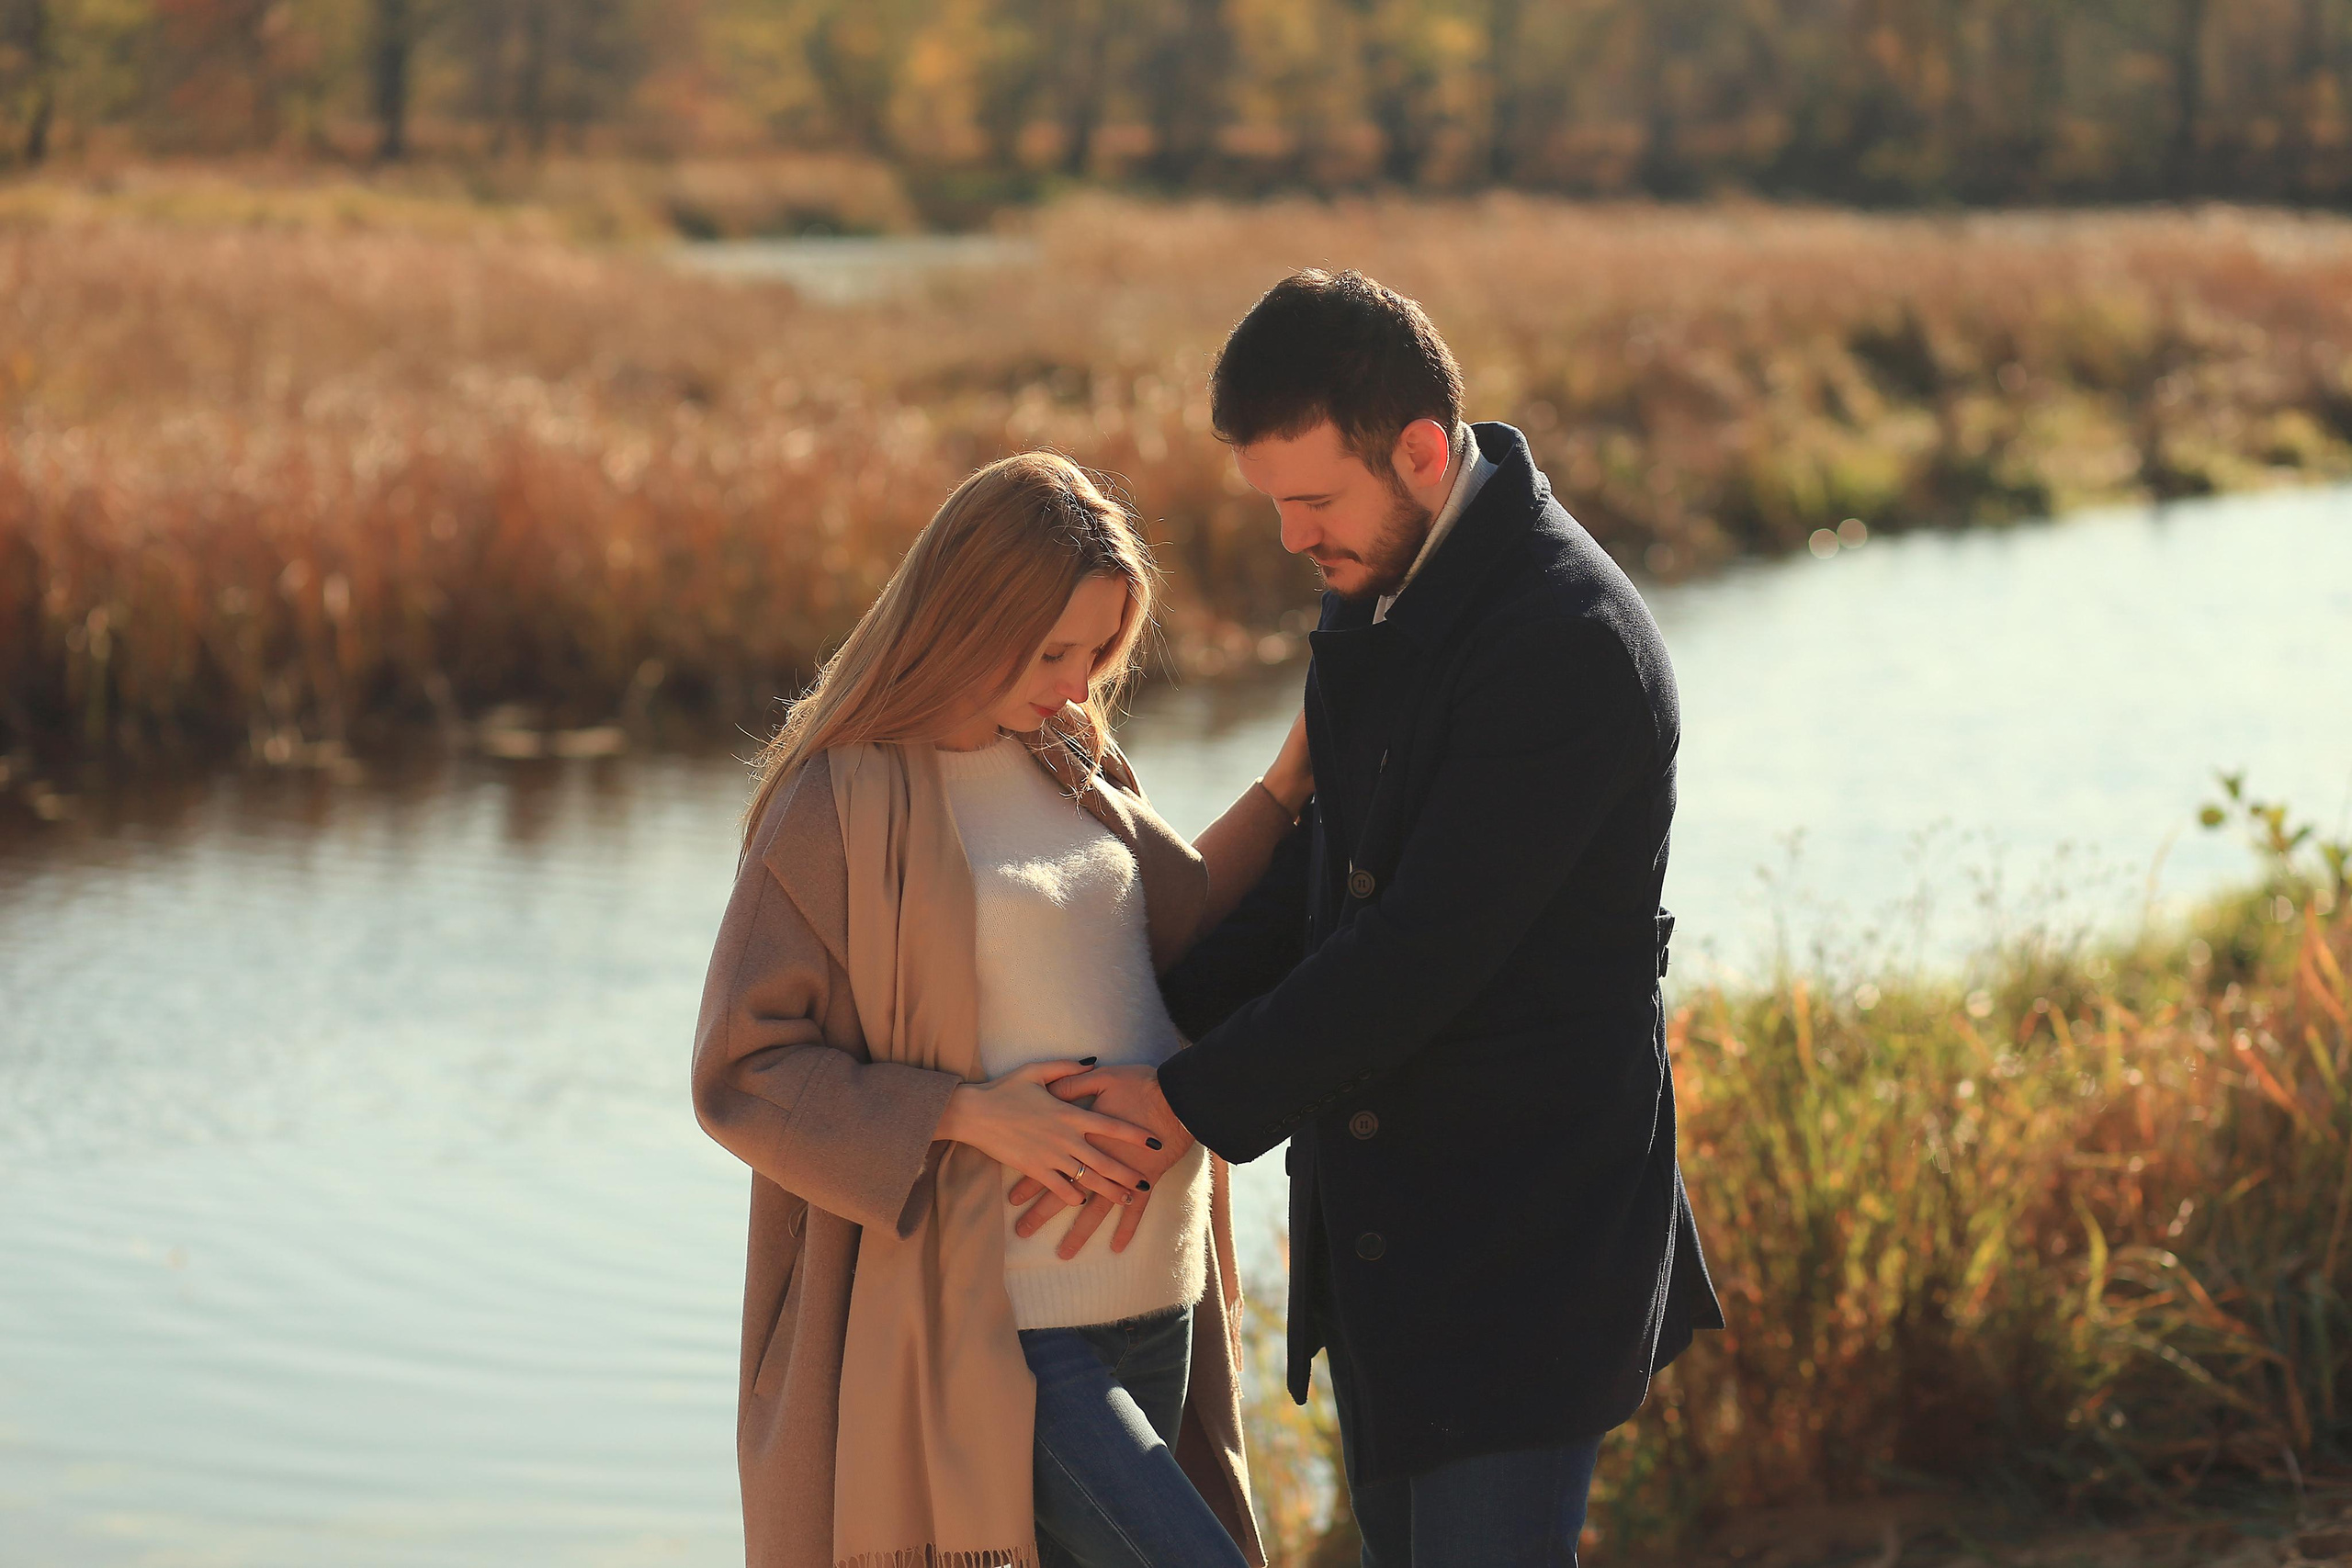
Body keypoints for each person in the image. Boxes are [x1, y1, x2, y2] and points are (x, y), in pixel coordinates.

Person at [1018, 271, 1724, 1567]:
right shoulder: (1380, 582)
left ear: (1420, 449)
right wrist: (1146, 1012)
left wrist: (1182, 1098)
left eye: (1314, 499)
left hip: (1526, 1244)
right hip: (1400, 1238)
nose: (1293, 538)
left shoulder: (1566, 640)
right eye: (1275, 501)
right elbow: (1329, 877)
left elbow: (1424, 951)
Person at [690, 452, 1308, 1568]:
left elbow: (1187, 935)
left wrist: (1289, 783)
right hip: (1005, 1332)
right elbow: (743, 1072)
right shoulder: (834, 805)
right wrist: (970, 1114)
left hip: (1160, 1300)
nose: (1077, 684)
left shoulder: (1071, 757)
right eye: (1052, 651)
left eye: (1098, 653)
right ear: (969, 618)